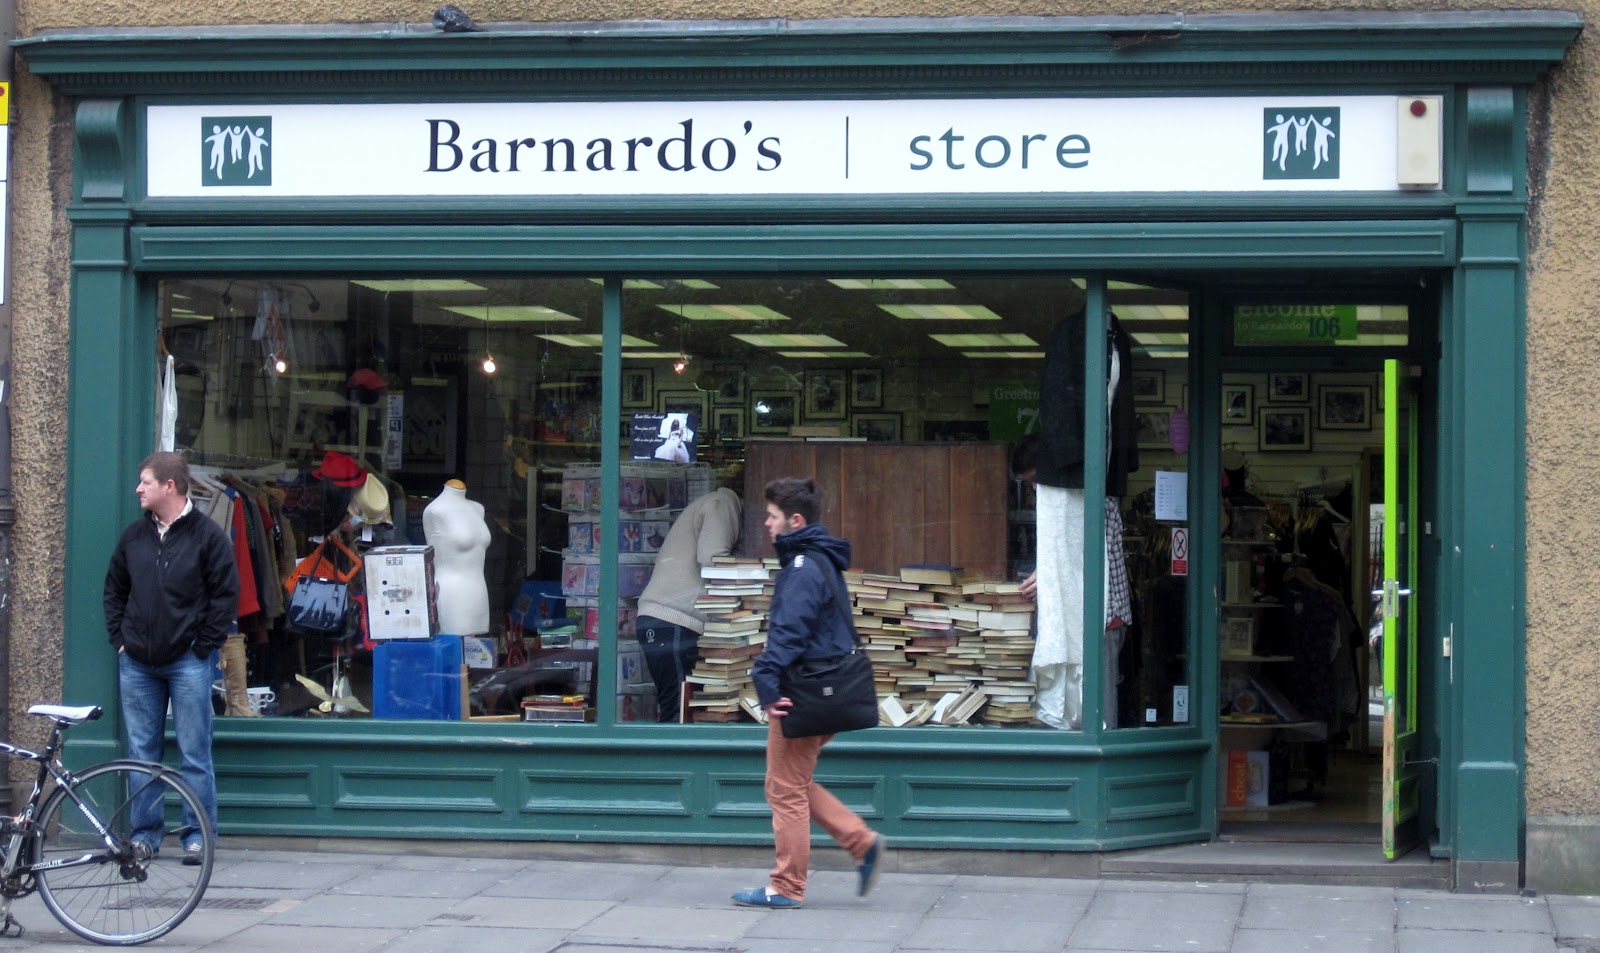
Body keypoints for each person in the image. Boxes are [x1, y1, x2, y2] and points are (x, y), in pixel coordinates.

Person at [731, 477, 884, 909]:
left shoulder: (802, 568)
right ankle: (860, 841)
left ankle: (787, 885)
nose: (766, 523)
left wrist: (766, 683)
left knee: (784, 789)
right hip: (825, 690)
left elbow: (788, 635)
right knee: (792, 783)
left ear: (795, 520)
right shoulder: (820, 560)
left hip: (801, 693)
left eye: (773, 516)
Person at [103, 451, 238, 864]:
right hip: (138, 662)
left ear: (170, 486)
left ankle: (198, 836)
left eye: (145, 482)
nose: (138, 489)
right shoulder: (133, 537)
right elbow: (114, 590)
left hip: (188, 662)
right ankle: (145, 835)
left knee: (195, 752)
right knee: (143, 753)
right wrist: (119, 640)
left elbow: (225, 598)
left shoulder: (208, 537)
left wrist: (202, 646)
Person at [634, 486, 742, 722]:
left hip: (664, 620)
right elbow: (713, 560)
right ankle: (670, 759)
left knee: (679, 708)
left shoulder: (706, 504)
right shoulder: (723, 503)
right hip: (673, 621)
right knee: (679, 712)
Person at [423, 479, 492, 635]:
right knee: (451, 647)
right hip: (451, 592)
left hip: (478, 591)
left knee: (472, 649)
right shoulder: (435, 511)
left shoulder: (478, 509)